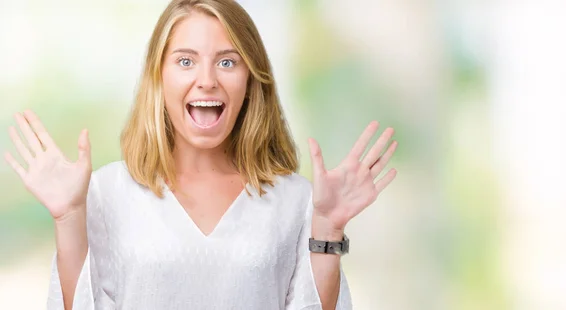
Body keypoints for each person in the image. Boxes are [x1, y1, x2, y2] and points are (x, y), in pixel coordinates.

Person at [4, 0, 398, 309]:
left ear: (251, 80)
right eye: (186, 61)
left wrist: (328, 227)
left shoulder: (296, 200)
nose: (206, 80)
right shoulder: (109, 192)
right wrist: (70, 217)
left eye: (227, 62)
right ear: (159, 77)